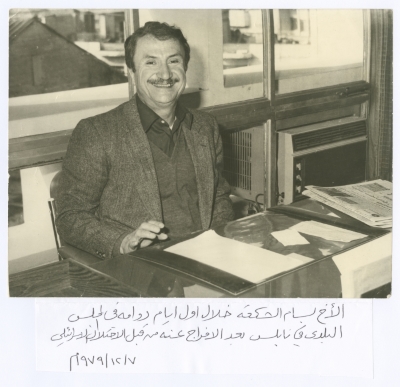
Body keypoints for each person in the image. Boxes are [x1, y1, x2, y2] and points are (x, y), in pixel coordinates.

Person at [55, 21, 234, 260]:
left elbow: (218, 197)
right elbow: (70, 217)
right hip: (139, 268)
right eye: (151, 62)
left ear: (185, 67)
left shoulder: (205, 126)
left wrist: (221, 244)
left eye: (174, 61)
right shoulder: (96, 132)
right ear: (132, 71)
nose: (165, 74)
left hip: (204, 259)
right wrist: (122, 242)